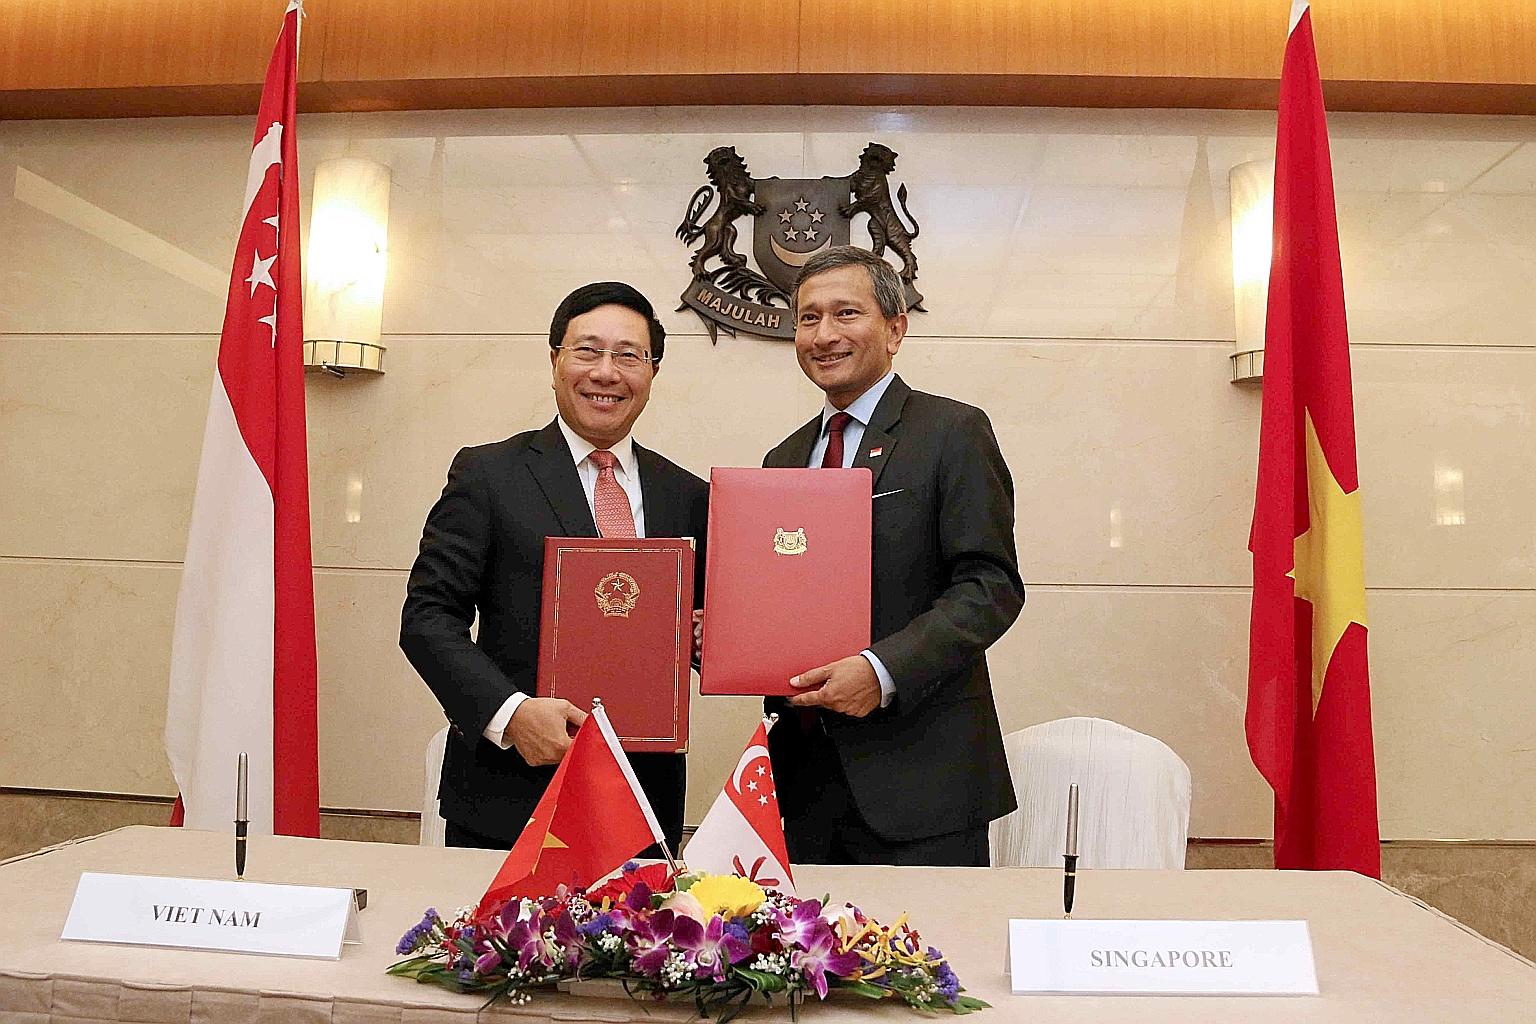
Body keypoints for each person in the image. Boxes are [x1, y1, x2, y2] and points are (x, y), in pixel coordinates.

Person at [401, 282, 707, 851]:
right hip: (509, 798)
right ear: (554, 361)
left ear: (652, 372)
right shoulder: (489, 475)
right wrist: (511, 715)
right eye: (587, 351)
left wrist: (708, 639)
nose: (606, 373)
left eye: (628, 355)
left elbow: (700, 628)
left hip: (644, 803)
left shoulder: (688, 496)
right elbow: (427, 618)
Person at [762, 246, 1025, 866]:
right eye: (808, 318)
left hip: (925, 782)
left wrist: (881, 671)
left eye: (846, 313)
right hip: (805, 781)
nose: (824, 334)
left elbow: (989, 585)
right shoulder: (783, 459)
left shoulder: (952, 432)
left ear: (895, 329)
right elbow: (783, 595)